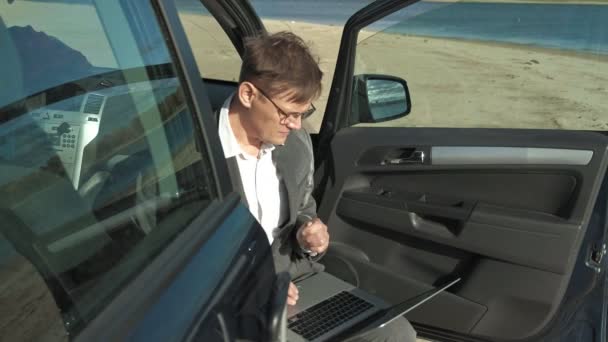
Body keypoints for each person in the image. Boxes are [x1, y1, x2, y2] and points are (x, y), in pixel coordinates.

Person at [217, 31, 417, 342]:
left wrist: (307, 231)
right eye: (289, 114)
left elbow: (303, 207)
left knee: (397, 333)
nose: (297, 125)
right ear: (247, 94)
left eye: (303, 114)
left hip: (297, 280)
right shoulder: (198, 158)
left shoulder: (294, 143)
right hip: (231, 300)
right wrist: (253, 283)